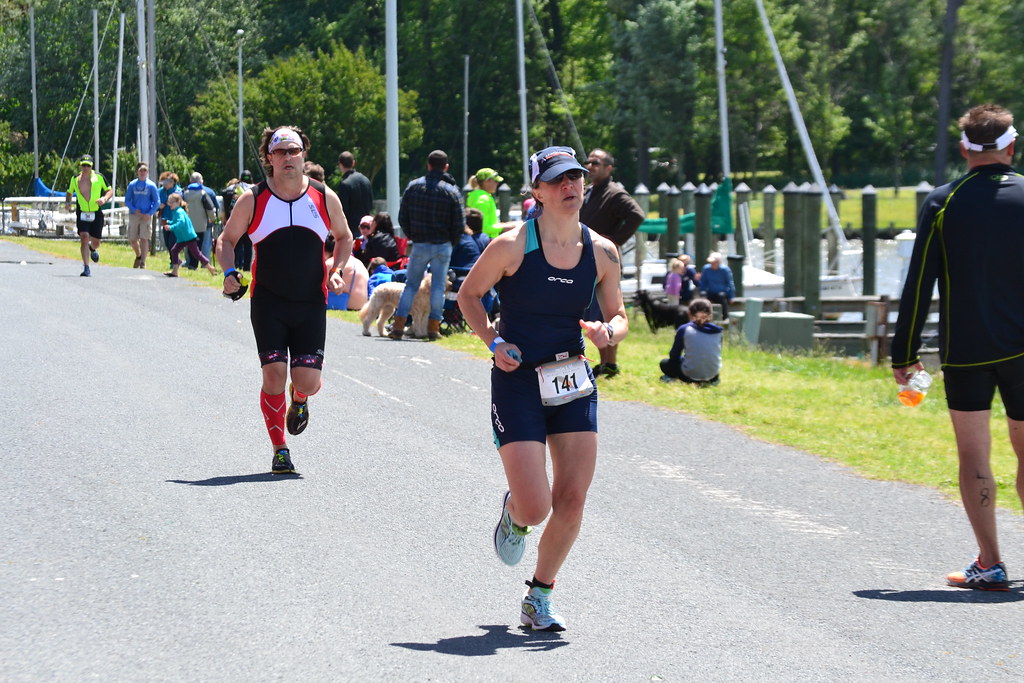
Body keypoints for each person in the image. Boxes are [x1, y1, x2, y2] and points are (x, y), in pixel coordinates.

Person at [457, 145, 628, 631]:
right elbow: (469, 295)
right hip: (518, 380)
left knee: (572, 498)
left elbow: (618, 314)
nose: (569, 187)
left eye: (574, 177)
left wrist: (607, 333)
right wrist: (493, 341)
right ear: (537, 191)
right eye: (556, 181)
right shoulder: (510, 246)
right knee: (537, 505)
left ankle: (539, 597)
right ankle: (514, 512)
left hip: (572, 378)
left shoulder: (602, 251)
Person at [892, 103, 1024, 591]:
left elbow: (919, 282)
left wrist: (903, 354)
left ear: (964, 149)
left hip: (966, 351)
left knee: (975, 456)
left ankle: (991, 562)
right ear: (1012, 146)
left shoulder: (943, 201)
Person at [217, 125, 352, 475]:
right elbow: (226, 240)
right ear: (269, 159)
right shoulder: (254, 198)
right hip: (269, 301)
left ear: (304, 154)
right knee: (274, 375)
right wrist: (230, 273)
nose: (288, 158)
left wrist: (336, 268)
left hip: (310, 302)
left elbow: (345, 237)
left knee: (306, 380)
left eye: (294, 151)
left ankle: (301, 397)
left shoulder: (324, 197)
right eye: (281, 152)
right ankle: (280, 449)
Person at [579, 148, 646, 378]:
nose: (590, 166)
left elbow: (637, 215)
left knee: (608, 313)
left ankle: (609, 363)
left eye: (596, 162)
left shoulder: (614, 193)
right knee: (593, 314)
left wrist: (614, 241)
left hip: (605, 261)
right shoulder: (590, 191)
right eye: (588, 162)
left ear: (609, 168)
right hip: (587, 260)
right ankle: (605, 362)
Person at [390, 149, 465, 341]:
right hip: (442, 244)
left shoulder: (413, 187)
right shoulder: (452, 192)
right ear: (445, 167)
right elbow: (459, 223)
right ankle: (434, 327)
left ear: (428, 165)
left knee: (411, 285)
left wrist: (413, 235)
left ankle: (398, 325)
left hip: (420, 243)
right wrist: (451, 242)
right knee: (438, 287)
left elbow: (402, 217)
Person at [64, 154, 113, 277]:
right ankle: (86, 267)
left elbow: (110, 190)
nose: (85, 168)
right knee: (84, 237)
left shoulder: (99, 177)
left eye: (88, 166)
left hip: (96, 212)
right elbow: (69, 192)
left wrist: (104, 199)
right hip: (82, 212)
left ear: (92, 167)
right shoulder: (75, 179)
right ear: (80, 166)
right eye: (83, 165)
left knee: (96, 242)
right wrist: (68, 203)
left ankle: (92, 249)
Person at [659, 298, 722, 386]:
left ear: (689, 314)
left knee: (664, 363)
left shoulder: (684, 329)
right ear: (710, 314)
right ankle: (711, 381)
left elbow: (674, 355)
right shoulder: (718, 332)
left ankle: (675, 378)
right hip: (712, 375)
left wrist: (682, 360)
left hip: (689, 375)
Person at [162, 193, 218, 278]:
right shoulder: (176, 211)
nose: (170, 204)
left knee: (196, 254)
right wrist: (169, 222)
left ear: (178, 202)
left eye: (172, 202)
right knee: (174, 250)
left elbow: (181, 222)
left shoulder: (179, 211)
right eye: (169, 202)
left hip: (188, 237)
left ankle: (210, 267)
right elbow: (176, 221)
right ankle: (175, 270)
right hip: (183, 237)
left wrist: (171, 227)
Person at [124, 162, 159, 269]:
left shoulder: (151, 185)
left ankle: (143, 262)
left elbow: (157, 201)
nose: (142, 173)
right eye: (140, 171)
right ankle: (138, 255)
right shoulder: (132, 185)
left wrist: (150, 213)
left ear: (147, 172)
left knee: (144, 238)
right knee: (132, 238)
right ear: (137, 172)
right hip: (135, 214)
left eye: (144, 171)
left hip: (146, 215)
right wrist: (134, 209)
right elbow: (127, 200)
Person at [181, 172, 219, 268]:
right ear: (201, 181)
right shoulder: (207, 192)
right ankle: (205, 264)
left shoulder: (184, 193)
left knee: (190, 244)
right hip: (203, 224)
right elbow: (213, 208)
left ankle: (191, 263)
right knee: (204, 244)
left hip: (188, 224)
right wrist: (213, 219)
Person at [466, 167, 514, 239]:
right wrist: (503, 227)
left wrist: (500, 225)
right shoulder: (483, 200)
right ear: (487, 181)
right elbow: (483, 228)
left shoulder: (478, 196)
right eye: (495, 181)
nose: (497, 183)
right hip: (486, 241)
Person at [337, 151, 373, 237]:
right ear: (353, 163)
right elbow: (371, 203)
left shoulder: (345, 184)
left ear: (340, 165)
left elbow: (343, 210)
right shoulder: (366, 180)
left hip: (351, 229)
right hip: (367, 227)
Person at [700, 251, 735, 320]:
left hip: (721, 293)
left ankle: (725, 317)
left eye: (714, 263)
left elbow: (730, 283)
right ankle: (704, 316)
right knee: (703, 295)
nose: (712, 264)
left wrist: (731, 296)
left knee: (721, 296)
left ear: (718, 262)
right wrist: (702, 290)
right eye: (711, 263)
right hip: (710, 292)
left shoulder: (725, 270)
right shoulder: (706, 269)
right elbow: (703, 282)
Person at [158, 172, 183, 269]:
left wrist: (164, 203)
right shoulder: (160, 191)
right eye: (163, 182)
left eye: (167, 182)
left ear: (173, 182)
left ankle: (174, 262)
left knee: (173, 242)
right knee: (167, 243)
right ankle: (174, 260)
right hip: (165, 220)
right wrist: (158, 206)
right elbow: (156, 201)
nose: (164, 184)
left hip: (175, 221)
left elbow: (176, 200)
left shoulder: (178, 191)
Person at [232, 170, 255, 270]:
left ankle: (237, 264)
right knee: (248, 245)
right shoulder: (255, 188)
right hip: (251, 219)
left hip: (238, 219)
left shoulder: (236, 187)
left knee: (237, 244)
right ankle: (246, 267)